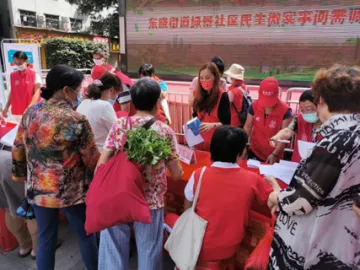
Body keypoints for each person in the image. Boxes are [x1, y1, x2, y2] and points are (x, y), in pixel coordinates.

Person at [267, 64, 360, 270]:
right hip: (343, 243)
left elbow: (302, 200)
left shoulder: (336, 141)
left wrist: (276, 196)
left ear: (322, 101)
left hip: (315, 245)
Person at [12, 65, 100, 270]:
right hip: (73, 193)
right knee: (86, 236)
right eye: (78, 89)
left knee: (45, 240)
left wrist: (24, 181)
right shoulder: (76, 119)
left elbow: (18, 148)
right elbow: (92, 159)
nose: (80, 93)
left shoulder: (30, 112)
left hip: (40, 191)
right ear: (66, 90)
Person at [97, 77, 183, 270]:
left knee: (113, 251)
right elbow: (177, 174)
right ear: (156, 103)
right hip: (149, 202)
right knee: (149, 252)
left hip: (118, 196)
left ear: (134, 101)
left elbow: (101, 165)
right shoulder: (164, 130)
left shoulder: (119, 125)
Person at [183, 126, 269, 268]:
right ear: (240, 154)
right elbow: (271, 199)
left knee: (170, 218)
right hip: (231, 246)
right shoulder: (252, 179)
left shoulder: (199, 174)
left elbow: (187, 206)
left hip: (198, 243)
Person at [243, 77, 293, 163]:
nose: (267, 105)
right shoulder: (254, 105)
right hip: (255, 150)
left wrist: (274, 154)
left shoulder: (285, 111)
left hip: (273, 154)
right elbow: (247, 127)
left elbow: (284, 137)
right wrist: (243, 147)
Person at [0, 149, 37, 259]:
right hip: (5, 163)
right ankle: (37, 247)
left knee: (9, 207)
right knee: (30, 205)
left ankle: (25, 245)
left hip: (4, 163)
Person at [270, 90, 322, 162]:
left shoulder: (330, 124)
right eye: (302, 109)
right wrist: (277, 137)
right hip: (297, 165)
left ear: (319, 106)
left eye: (309, 109)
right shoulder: (300, 119)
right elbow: (288, 130)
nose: (306, 113)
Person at [77, 72, 120, 152]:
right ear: (112, 90)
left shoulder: (84, 103)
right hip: (100, 153)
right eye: (117, 94)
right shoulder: (105, 105)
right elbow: (117, 133)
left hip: (84, 152)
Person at [192, 62, 231, 151]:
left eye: (207, 77)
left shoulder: (222, 96)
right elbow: (194, 116)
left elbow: (226, 123)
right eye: (201, 78)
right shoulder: (197, 94)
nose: (204, 81)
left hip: (216, 142)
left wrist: (212, 125)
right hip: (199, 143)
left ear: (215, 77)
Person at [3, 51, 42, 123]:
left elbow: (37, 92)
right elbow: (12, 93)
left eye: (20, 63)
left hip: (31, 111)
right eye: (16, 63)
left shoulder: (34, 75)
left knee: (31, 132)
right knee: (18, 132)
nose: (18, 65)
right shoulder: (13, 75)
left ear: (26, 61)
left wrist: (30, 108)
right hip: (16, 112)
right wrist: (6, 107)